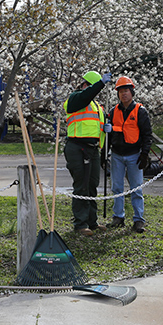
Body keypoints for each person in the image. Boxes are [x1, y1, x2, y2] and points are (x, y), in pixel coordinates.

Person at [63, 70, 113, 236]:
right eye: (92, 87)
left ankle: (92, 221)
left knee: (92, 185)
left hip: (93, 149)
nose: (95, 91)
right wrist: (99, 85)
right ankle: (80, 223)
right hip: (77, 147)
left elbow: (97, 128)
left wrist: (107, 128)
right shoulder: (75, 98)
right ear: (85, 85)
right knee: (81, 186)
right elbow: (85, 96)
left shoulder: (97, 106)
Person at [107, 76, 153, 233]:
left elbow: (147, 135)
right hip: (117, 155)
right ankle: (118, 217)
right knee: (117, 187)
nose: (123, 94)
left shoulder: (140, 111)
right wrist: (103, 153)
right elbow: (108, 135)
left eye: (126, 91)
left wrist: (144, 154)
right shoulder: (113, 112)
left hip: (135, 154)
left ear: (131, 92)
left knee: (136, 188)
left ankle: (139, 220)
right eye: (120, 91)